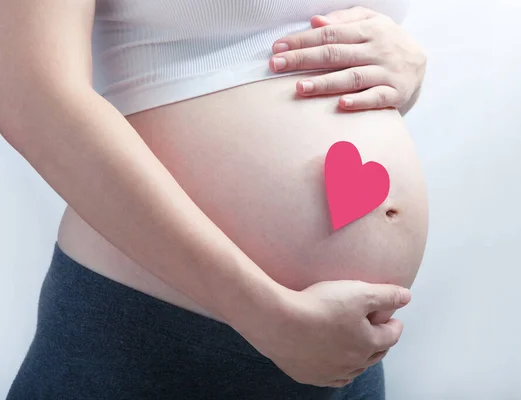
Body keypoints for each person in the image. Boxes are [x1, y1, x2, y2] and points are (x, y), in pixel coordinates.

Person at [1, 1, 428, 399]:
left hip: (344, 355)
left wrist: (408, 66)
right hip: (154, 337)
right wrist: (262, 313)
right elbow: (26, 92)